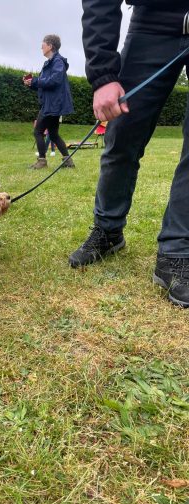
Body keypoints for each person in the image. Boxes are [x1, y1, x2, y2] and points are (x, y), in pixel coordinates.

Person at [69, 0, 189, 308]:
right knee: (122, 135)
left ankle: (177, 251)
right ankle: (108, 231)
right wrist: (103, 75)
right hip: (153, 22)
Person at [23, 35, 74, 170]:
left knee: (38, 132)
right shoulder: (49, 63)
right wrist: (31, 83)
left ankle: (42, 161)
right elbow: (44, 84)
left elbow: (54, 81)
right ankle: (68, 161)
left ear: (50, 46)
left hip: (52, 104)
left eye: (43, 44)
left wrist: (35, 81)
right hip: (52, 103)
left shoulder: (58, 62)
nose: (41, 47)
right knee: (53, 134)